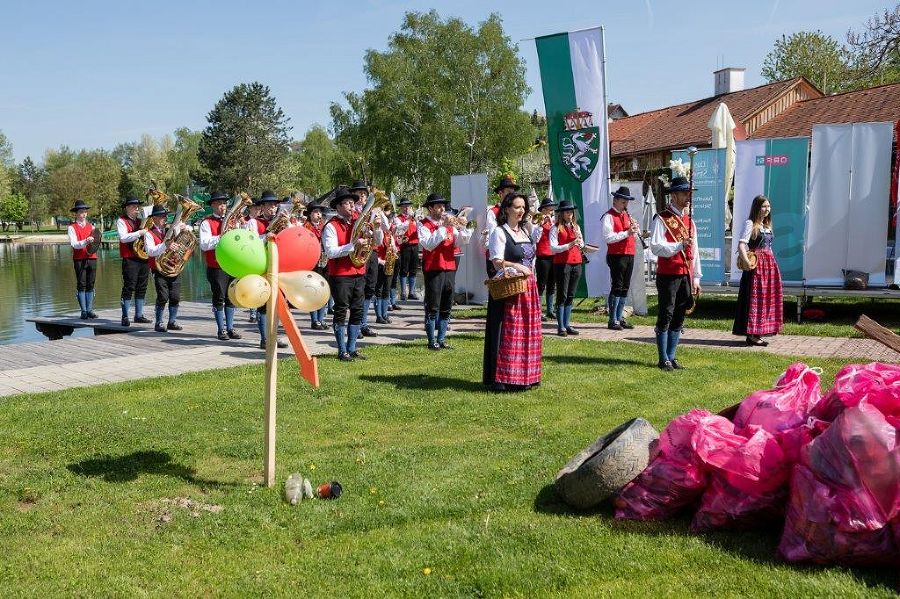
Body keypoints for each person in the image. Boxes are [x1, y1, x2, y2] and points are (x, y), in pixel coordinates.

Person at [483, 192, 543, 392]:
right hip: (510, 288)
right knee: (509, 333)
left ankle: (525, 376)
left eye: (523, 207)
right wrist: (518, 267)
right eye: (517, 207)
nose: (521, 211)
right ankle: (504, 378)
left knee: (527, 333)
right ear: (507, 209)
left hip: (528, 288)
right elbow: (496, 261)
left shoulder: (525, 231)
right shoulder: (500, 232)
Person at [650, 176, 702, 371]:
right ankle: (662, 357)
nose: (688, 197)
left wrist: (696, 277)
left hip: (685, 274)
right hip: (668, 274)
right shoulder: (662, 219)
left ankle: (671, 356)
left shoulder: (690, 222)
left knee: (680, 315)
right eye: (684, 193)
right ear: (673, 195)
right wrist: (678, 245)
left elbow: (695, 252)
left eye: (689, 193)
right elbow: (655, 246)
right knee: (666, 314)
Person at [418, 193, 472, 350]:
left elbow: (461, 242)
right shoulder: (423, 224)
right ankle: (431, 340)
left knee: (446, 305)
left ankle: (441, 339)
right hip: (433, 268)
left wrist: (464, 228)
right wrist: (442, 227)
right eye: (439, 206)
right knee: (432, 305)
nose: (443, 209)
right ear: (430, 208)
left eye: (443, 206)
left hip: (449, 267)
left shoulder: (449, 226)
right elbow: (428, 244)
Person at [323, 188, 371, 361]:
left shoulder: (358, 222)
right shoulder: (331, 226)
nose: (352, 205)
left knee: (357, 311)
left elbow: (376, 242)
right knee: (341, 311)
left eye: (353, 202)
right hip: (341, 275)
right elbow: (331, 251)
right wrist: (353, 245)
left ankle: (352, 348)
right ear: (338, 206)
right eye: (347, 203)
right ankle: (341, 350)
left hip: (359, 272)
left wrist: (377, 230)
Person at [733, 194, 783, 346]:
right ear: (757, 207)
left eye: (768, 206)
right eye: (763, 206)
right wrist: (747, 261)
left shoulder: (767, 226)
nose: (767, 209)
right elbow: (741, 244)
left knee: (766, 298)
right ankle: (752, 334)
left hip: (769, 266)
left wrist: (774, 265)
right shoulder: (750, 224)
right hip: (756, 264)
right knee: (755, 298)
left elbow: (770, 248)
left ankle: (759, 331)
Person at [198, 191, 242, 341]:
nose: (223, 206)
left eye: (224, 203)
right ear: (213, 205)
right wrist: (221, 237)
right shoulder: (206, 223)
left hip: (232, 264)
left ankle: (230, 328)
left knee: (231, 297)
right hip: (216, 265)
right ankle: (221, 329)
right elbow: (204, 245)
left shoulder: (232, 221)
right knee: (219, 297)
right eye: (220, 203)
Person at [251, 190, 288, 349]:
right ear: (263, 207)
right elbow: (250, 243)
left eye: (275, 205)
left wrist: (289, 225)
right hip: (262, 264)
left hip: (280, 264)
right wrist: (266, 235)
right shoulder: (254, 222)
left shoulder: (282, 221)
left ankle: (275, 335)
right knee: (263, 302)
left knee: (279, 302)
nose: (273, 208)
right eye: (270, 205)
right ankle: (264, 338)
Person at [143, 204, 185, 333]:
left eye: (165, 216)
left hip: (172, 266)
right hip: (158, 268)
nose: (164, 218)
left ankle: (172, 321)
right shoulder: (149, 234)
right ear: (154, 218)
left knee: (175, 296)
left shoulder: (169, 230)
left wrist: (180, 231)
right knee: (163, 296)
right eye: (161, 216)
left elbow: (179, 245)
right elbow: (150, 251)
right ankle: (159, 322)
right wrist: (165, 246)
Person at [603, 186, 640, 330]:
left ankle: (620, 317)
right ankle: (612, 320)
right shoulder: (609, 216)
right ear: (616, 200)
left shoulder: (627, 216)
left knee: (625, 287)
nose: (626, 204)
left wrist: (634, 232)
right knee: (617, 286)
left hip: (629, 254)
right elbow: (608, 238)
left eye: (627, 201)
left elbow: (633, 238)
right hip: (617, 255)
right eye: (624, 201)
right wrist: (626, 233)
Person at [348, 180, 380, 337]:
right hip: (357, 253)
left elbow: (379, 240)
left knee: (370, 289)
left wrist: (377, 228)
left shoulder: (373, 213)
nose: (361, 196)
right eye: (358, 193)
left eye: (364, 193)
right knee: (357, 290)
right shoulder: (352, 214)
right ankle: (356, 323)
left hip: (371, 252)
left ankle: (364, 322)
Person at [549, 199, 585, 336]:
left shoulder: (576, 227)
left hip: (576, 262)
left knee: (571, 294)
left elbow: (581, 245)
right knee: (562, 294)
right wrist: (569, 245)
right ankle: (561, 326)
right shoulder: (555, 228)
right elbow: (553, 248)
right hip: (562, 263)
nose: (570, 214)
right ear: (562, 213)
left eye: (571, 212)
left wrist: (580, 240)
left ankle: (567, 324)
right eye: (567, 212)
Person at [115, 196, 151, 326]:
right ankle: (125, 316)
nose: (136, 209)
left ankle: (139, 315)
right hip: (129, 258)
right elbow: (123, 238)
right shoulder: (121, 221)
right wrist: (139, 233)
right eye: (132, 206)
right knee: (129, 287)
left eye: (137, 206)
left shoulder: (142, 221)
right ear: (126, 208)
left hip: (143, 258)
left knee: (142, 286)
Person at [67, 199, 99, 319]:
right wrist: (86, 241)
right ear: (76, 213)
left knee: (91, 283)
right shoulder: (72, 227)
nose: (84, 214)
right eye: (81, 211)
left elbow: (96, 243)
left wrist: (94, 241)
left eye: (85, 211)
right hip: (79, 258)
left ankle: (90, 309)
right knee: (81, 284)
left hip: (92, 258)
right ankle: (84, 311)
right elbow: (74, 244)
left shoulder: (92, 226)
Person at [483, 175, 519, 275]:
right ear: (500, 193)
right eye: (508, 191)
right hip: (498, 257)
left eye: (513, 191)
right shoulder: (493, 212)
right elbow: (492, 236)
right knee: (497, 289)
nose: (512, 194)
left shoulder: (517, 212)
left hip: (513, 256)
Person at [303, 200, 331, 330]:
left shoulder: (324, 226)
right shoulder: (305, 227)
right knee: (313, 291)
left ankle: (321, 318)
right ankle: (314, 320)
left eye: (320, 212)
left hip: (325, 260)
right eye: (315, 212)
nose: (319, 215)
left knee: (324, 290)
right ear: (309, 214)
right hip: (312, 262)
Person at [533, 197, 557, 322]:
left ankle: (550, 310)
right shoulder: (537, 222)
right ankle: (538, 310)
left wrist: (552, 223)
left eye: (551, 209)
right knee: (541, 284)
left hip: (554, 255)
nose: (551, 212)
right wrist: (541, 224)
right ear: (543, 210)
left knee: (552, 284)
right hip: (542, 255)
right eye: (548, 209)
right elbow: (535, 239)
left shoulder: (553, 222)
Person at [394, 197, 420, 300]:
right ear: (401, 208)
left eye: (408, 206)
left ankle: (412, 292)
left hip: (415, 245)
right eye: (404, 206)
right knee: (404, 269)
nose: (406, 208)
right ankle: (403, 292)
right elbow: (400, 230)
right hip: (405, 246)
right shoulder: (398, 218)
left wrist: (417, 218)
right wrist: (409, 219)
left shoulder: (414, 218)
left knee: (413, 269)